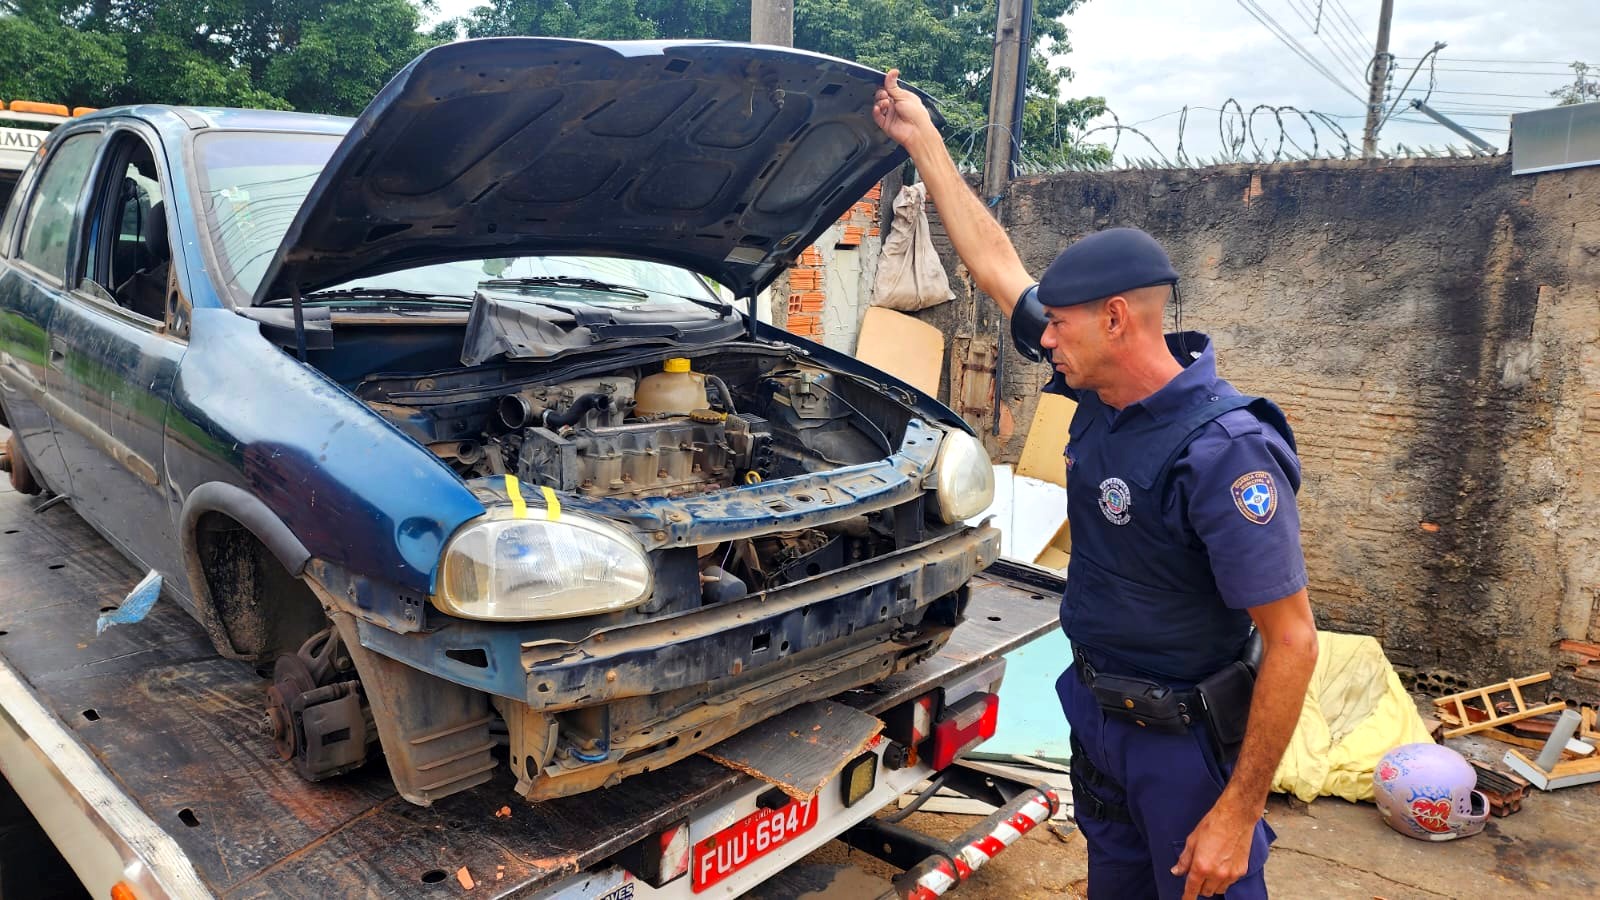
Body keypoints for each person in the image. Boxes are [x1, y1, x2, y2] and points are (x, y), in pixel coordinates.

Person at [870, 71, 1320, 899]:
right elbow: (997, 264)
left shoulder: (1224, 451)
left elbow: (1292, 640)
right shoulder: (1097, 387)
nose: (1046, 344)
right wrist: (924, 141)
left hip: (1184, 747)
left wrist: (1236, 810)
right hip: (1099, 723)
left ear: (1117, 318)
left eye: (1063, 328)